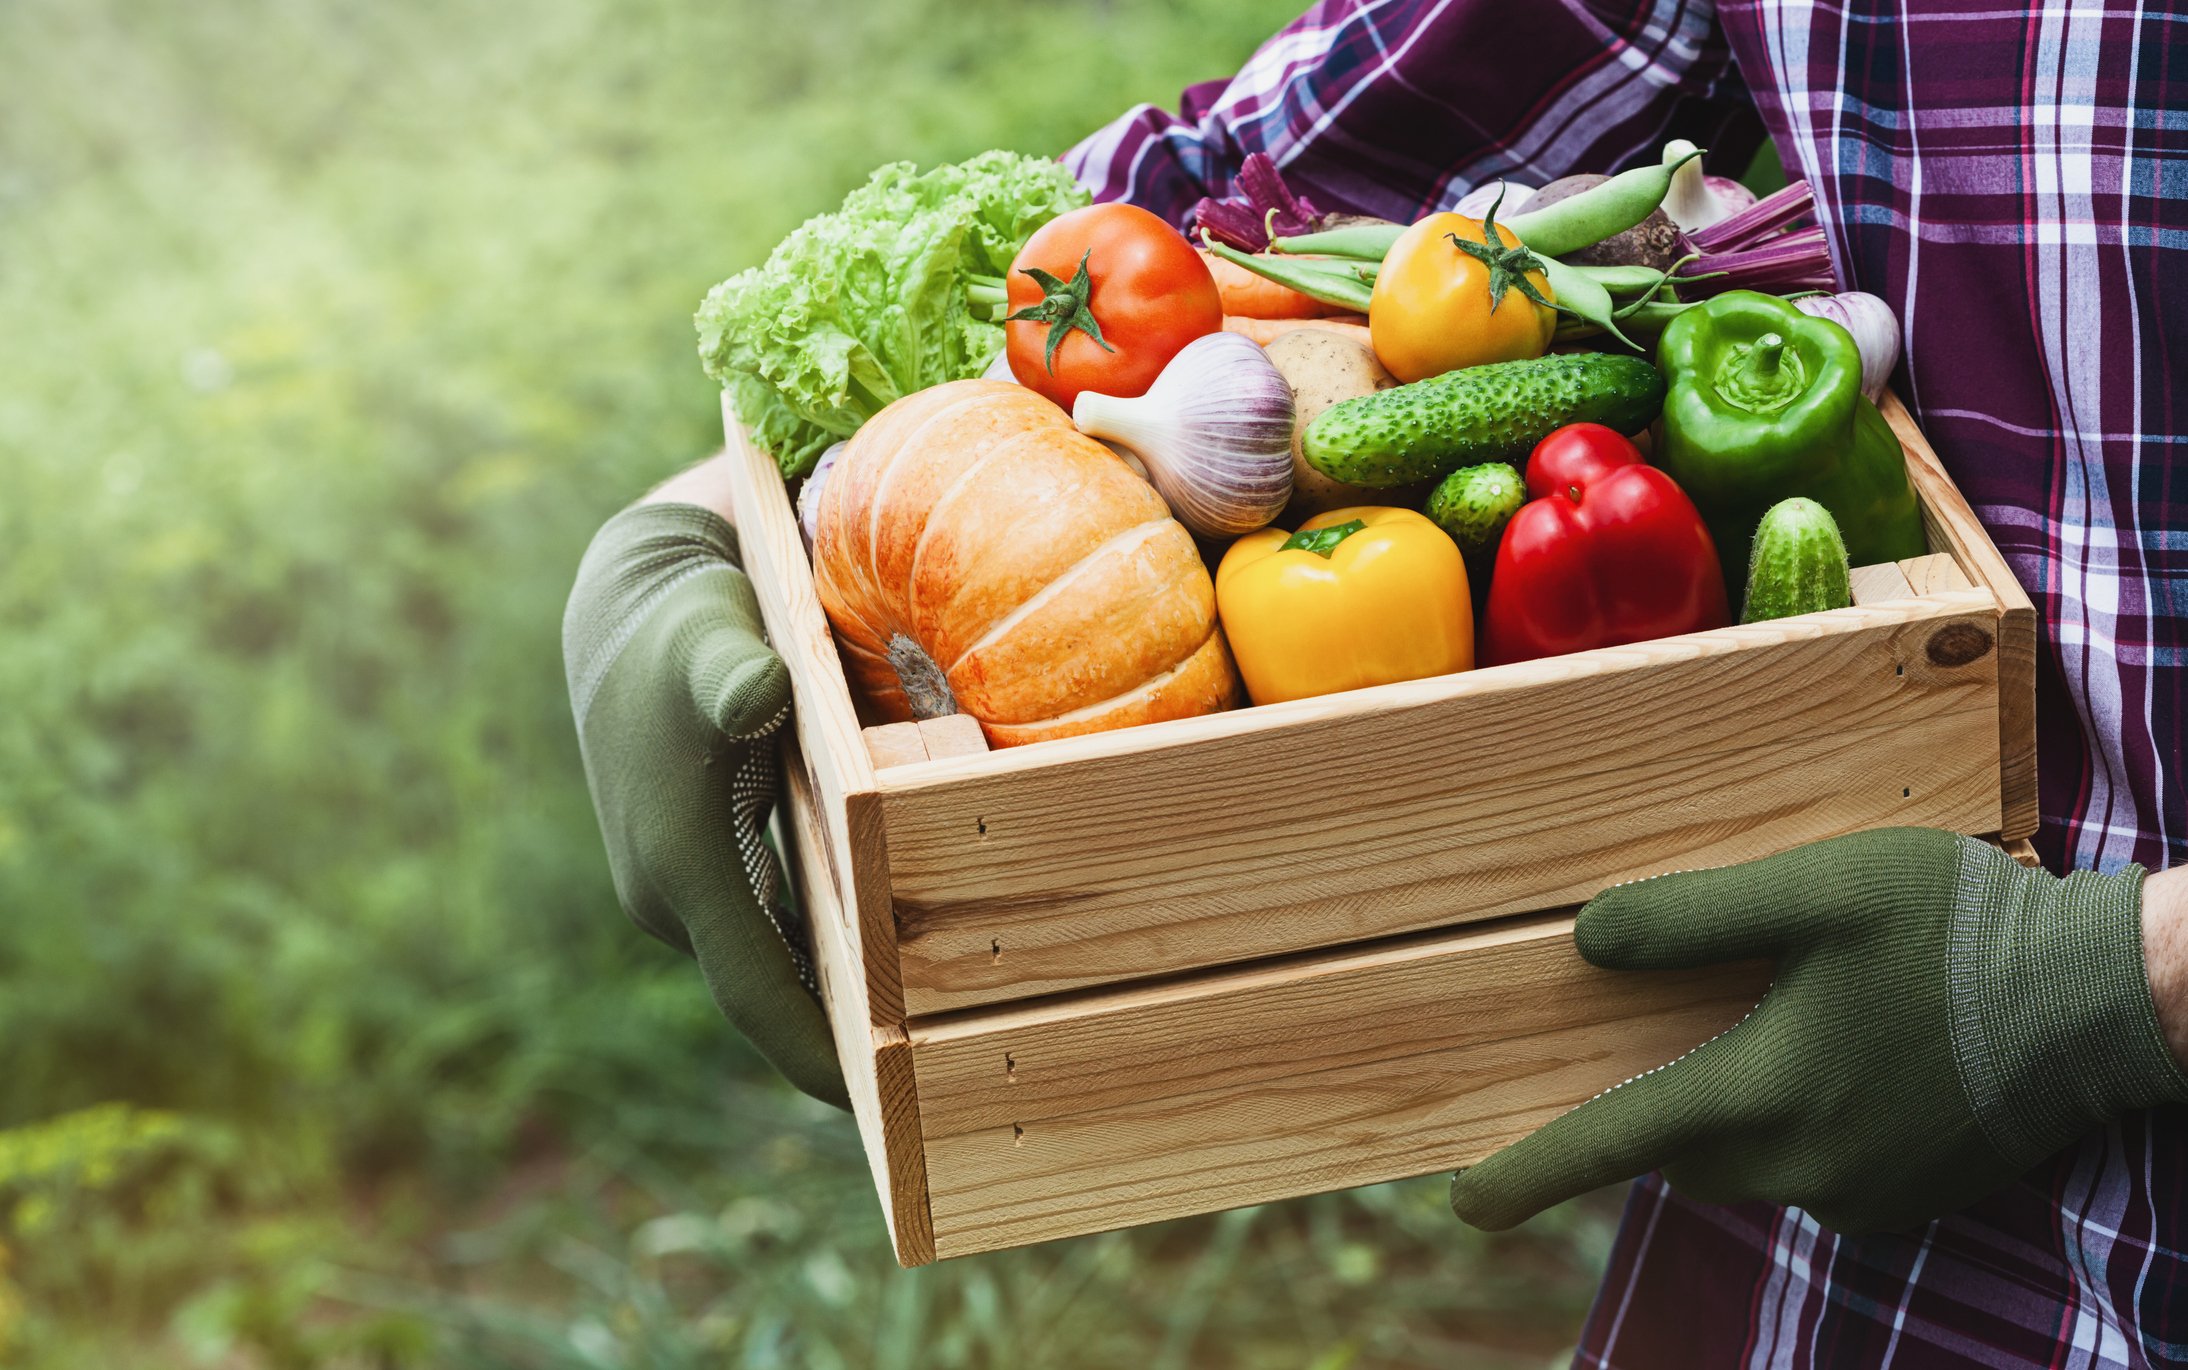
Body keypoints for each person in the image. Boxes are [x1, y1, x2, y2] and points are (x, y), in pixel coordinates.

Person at [563, 0, 2188, 1362]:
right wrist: (713, 521)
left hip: (1997, 1076)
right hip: (1879, 1234)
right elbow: (1274, 182)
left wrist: (2116, 980)